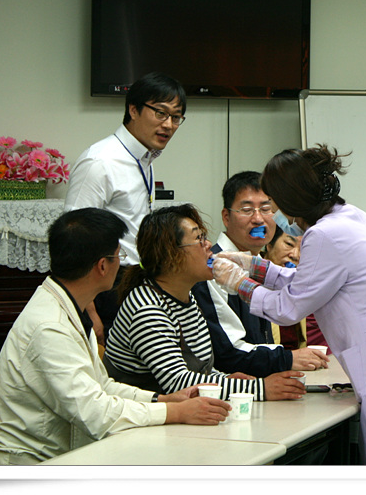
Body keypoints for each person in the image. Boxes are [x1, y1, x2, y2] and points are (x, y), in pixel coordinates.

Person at [211, 145, 366, 465]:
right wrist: (255, 266)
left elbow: (288, 307)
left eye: (275, 205)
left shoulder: (325, 234)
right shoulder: (351, 216)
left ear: (292, 202)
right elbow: (311, 282)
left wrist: (239, 282)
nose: (278, 216)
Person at [0, 208, 230, 465]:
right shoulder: (49, 327)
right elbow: (96, 414)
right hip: (35, 466)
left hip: (67, 456)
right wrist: (173, 411)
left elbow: (102, 386)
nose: (121, 264)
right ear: (103, 266)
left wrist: (161, 399)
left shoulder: (68, 306)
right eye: (119, 256)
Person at [103, 203, 307, 402]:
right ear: (170, 254)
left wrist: (227, 379)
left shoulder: (186, 297)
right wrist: (260, 388)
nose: (208, 244)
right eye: (198, 239)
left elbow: (201, 371)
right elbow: (179, 382)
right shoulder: (147, 308)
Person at [63, 72, 188, 345]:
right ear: (133, 109)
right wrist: (88, 312)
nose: (169, 125)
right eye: (160, 113)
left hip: (136, 281)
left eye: (176, 117)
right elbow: (73, 241)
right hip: (107, 285)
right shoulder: (100, 162)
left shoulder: (144, 159)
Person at [192, 171, 328, 376]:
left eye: (266, 209)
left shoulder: (260, 265)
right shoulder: (215, 268)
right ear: (226, 217)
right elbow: (228, 353)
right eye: (247, 210)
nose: (258, 219)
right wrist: (288, 358)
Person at [263, 224, 308, 349]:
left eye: (303, 249)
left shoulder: (299, 284)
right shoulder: (249, 280)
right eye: (289, 244)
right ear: (269, 244)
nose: (295, 255)